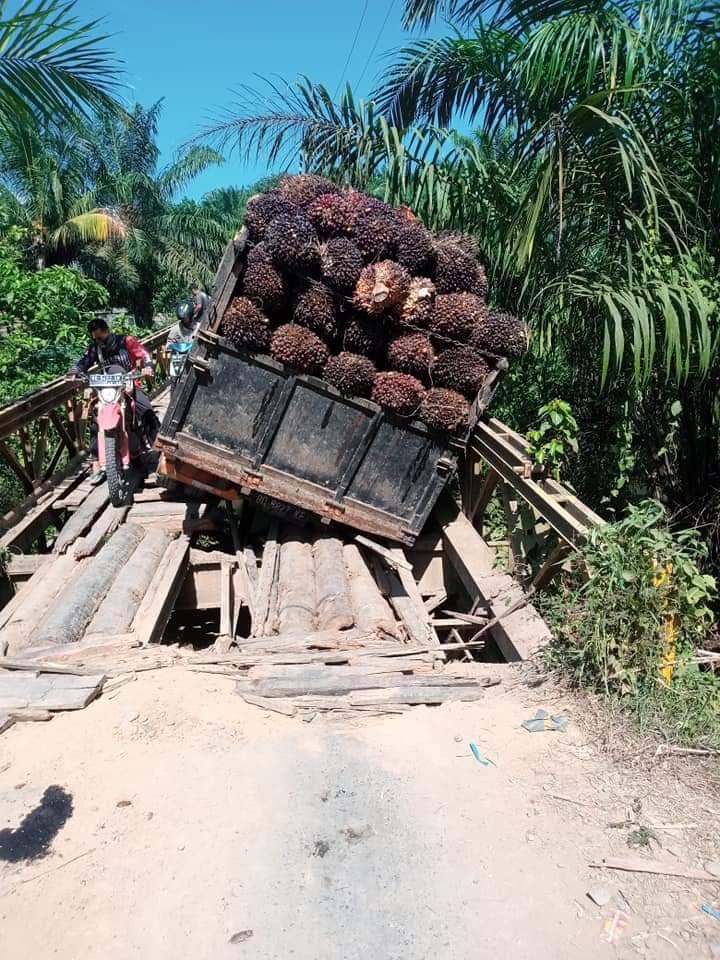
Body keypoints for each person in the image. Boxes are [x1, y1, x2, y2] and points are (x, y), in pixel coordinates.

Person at [69, 317, 157, 484]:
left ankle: (154, 447)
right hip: (108, 389)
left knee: (146, 411)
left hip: (130, 384)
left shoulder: (126, 341)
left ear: (107, 331)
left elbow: (143, 354)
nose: (98, 341)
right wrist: (75, 370)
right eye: (94, 338)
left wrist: (148, 366)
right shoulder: (95, 348)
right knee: (95, 418)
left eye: (100, 337)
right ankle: (97, 459)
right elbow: (84, 361)